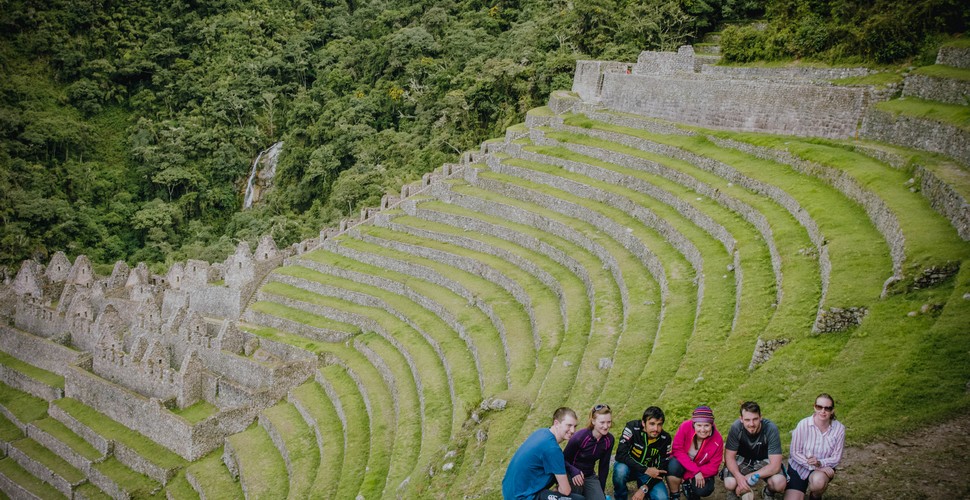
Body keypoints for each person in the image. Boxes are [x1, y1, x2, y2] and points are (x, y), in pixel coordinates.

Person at [503, 407, 586, 500]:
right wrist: (557, 489)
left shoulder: (542, 432)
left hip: (510, 489)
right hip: (523, 496)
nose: (572, 431)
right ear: (556, 423)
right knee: (579, 499)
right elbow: (566, 491)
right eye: (569, 425)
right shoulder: (552, 448)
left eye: (574, 426)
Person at [721, 401, 786, 500]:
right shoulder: (736, 427)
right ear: (741, 419)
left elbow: (775, 466)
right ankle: (735, 491)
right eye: (747, 420)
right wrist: (739, 476)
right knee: (730, 483)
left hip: (764, 460)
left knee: (779, 483)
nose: (751, 424)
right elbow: (729, 457)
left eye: (755, 419)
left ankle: (768, 491)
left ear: (761, 417)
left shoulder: (770, 428)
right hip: (743, 459)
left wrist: (748, 477)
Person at [784, 394, 845, 500]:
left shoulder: (839, 429)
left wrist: (820, 463)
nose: (823, 411)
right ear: (814, 407)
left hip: (821, 470)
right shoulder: (803, 424)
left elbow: (836, 457)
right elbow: (794, 452)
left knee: (818, 482)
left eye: (827, 408)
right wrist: (815, 465)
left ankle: (815, 496)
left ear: (832, 410)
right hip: (799, 467)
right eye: (819, 407)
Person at [612, 406, 672, 500]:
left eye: (659, 424)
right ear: (644, 423)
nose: (656, 428)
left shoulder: (665, 438)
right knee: (620, 470)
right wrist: (646, 469)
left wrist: (645, 488)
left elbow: (662, 467)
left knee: (662, 498)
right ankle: (620, 497)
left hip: (647, 474)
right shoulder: (632, 428)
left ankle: (644, 488)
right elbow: (620, 455)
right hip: (629, 467)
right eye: (652, 424)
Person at [667, 406, 723, 500]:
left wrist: (690, 475)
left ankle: (690, 487)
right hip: (684, 464)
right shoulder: (685, 427)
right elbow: (677, 449)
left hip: (701, 469)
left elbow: (714, 467)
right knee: (673, 465)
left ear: (712, 424)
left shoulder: (718, 440)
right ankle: (675, 495)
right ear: (694, 424)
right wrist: (695, 471)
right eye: (699, 425)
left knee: (704, 489)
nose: (703, 430)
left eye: (706, 425)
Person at [563, 404, 616, 500]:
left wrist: (601, 491)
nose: (606, 426)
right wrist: (573, 471)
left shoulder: (609, 440)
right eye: (602, 422)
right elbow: (562, 459)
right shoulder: (580, 437)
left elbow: (603, 466)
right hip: (572, 474)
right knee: (578, 497)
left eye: (609, 422)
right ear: (593, 421)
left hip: (589, 475)